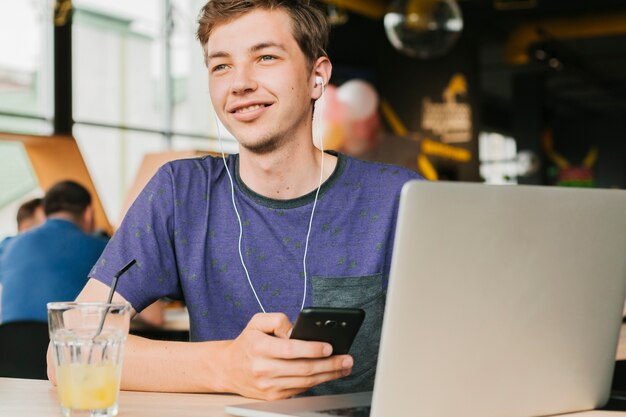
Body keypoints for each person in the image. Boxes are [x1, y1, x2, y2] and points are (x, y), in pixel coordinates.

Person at [49, 0, 421, 400]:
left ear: (317, 77)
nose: (239, 83)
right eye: (221, 65)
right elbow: (67, 353)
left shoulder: (398, 200)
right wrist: (226, 366)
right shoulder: (181, 192)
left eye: (265, 57)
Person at [0, 181, 107, 324]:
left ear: (45, 213)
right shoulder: (103, 249)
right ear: (88, 213)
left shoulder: (8, 246)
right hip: (62, 340)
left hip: (9, 341)